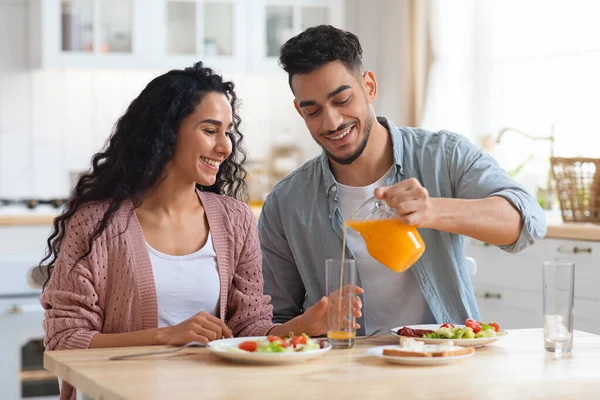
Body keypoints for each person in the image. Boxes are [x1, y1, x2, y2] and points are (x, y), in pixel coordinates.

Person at [39, 62, 357, 400]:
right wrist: (165, 336)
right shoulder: (96, 224)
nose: (225, 147)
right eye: (210, 130)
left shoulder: (234, 219)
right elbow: (64, 339)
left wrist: (302, 327)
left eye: (228, 132)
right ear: (166, 131)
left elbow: (250, 330)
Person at [258, 25, 547, 335]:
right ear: (299, 112)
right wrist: (308, 324)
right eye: (312, 110)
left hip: (443, 363)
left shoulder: (443, 155)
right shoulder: (286, 203)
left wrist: (432, 211)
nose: (331, 121)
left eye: (342, 100)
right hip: (342, 376)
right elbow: (271, 325)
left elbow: (527, 223)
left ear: (369, 86)